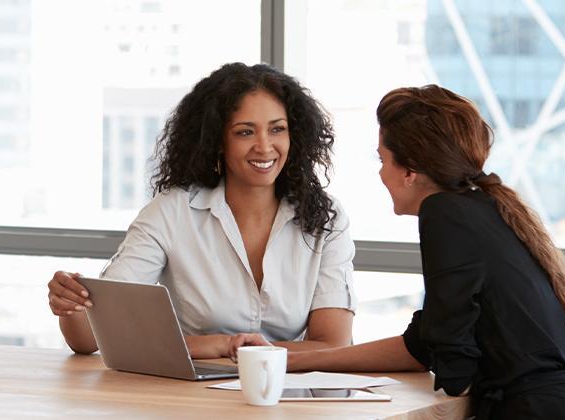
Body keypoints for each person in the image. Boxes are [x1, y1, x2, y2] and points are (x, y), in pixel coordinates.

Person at [242, 85, 565, 419]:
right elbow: (423, 344)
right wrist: (290, 359)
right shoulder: (482, 208)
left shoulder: (444, 212)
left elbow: (453, 364)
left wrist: (454, 364)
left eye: (383, 160)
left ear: (410, 171)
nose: (381, 173)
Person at [46, 62, 357, 360]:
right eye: (245, 132)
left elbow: (333, 344)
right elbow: (90, 336)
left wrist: (237, 350)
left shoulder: (325, 218)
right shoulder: (172, 212)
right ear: (218, 140)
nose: (264, 146)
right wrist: (70, 301)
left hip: (287, 398)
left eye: (277, 129)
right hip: (190, 400)